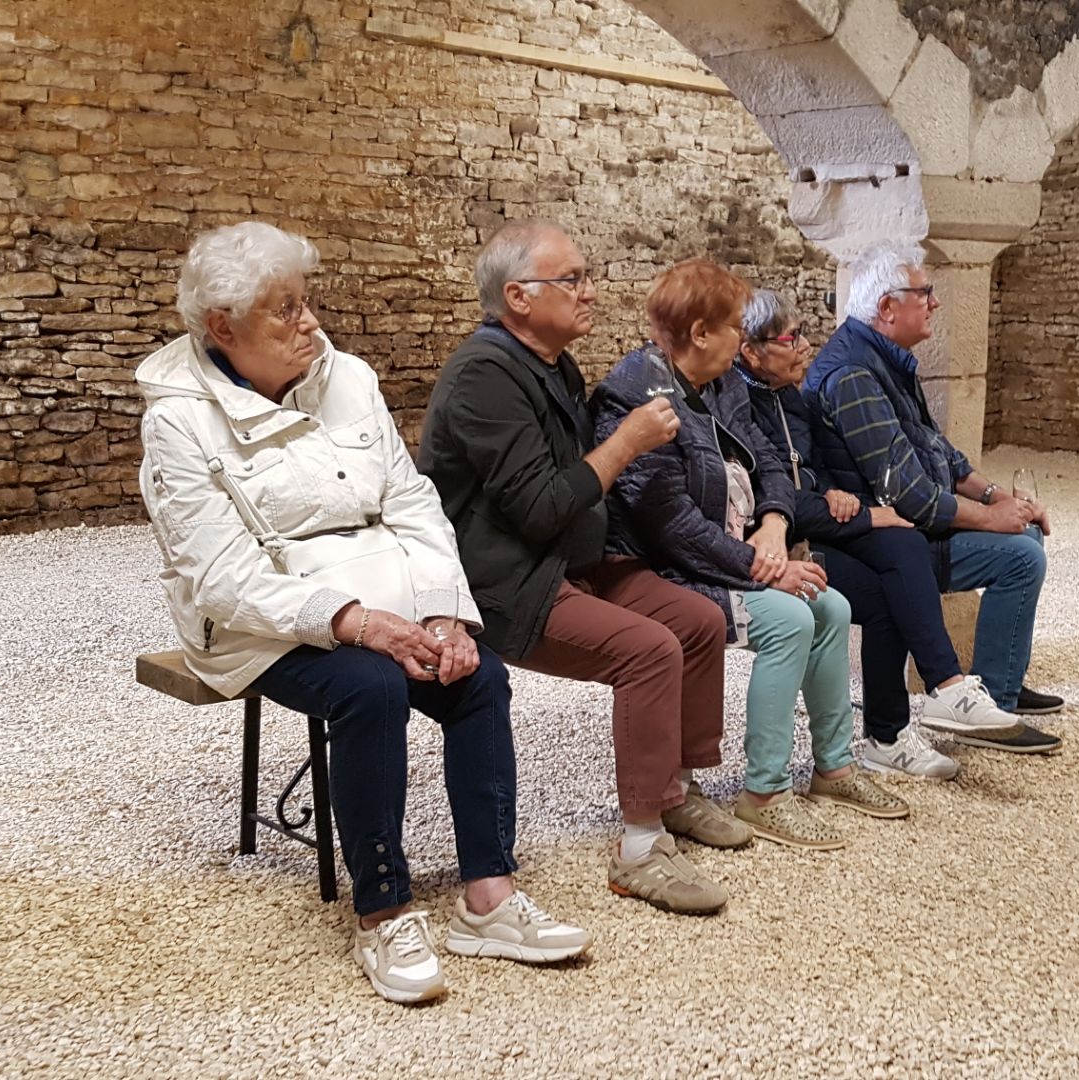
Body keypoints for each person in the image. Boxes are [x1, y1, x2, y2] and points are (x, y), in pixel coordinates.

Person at [137, 222, 590, 1006]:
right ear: (222, 329)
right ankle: (383, 910)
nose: (310, 322)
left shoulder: (347, 377)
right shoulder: (177, 419)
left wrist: (445, 614)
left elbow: (412, 502)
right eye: (284, 310)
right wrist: (355, 622)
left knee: (477, 678)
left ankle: (489, 896)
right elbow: (219, 575)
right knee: (370, 688)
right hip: (256, 622)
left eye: (306, 301)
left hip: (386, 595)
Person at [419, 222, 739, 918]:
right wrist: (627, 442)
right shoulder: (484, 375)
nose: (590, 291)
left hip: (571, 562)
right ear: (518, 297)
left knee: (698, 620)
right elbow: (538, 509)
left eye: (586, 276)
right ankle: (640, 848)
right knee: (648, 650)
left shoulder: (554, 367)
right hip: (504, 583)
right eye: (573, 279)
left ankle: (674, 792)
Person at [593, 259, 909, 849]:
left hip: (739, 549)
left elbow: (769, 461)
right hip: (671, 570)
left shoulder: (723, 383)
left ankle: (834, 767)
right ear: (700, 334)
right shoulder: (633, 394)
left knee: (833, 608)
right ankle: (763, 792)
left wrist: (773, 525)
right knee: (790, 618)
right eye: (736, 327)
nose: (743, 338)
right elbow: (671, 528)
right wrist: (761, 568)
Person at [734, 288, 1023, 780]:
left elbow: (812, 467)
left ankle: (896, 732)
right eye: (792, 337)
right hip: (770, 548)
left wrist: (833, 492)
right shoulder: (740, 402)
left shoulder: (789, 396)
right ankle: (935, 695)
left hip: (814, 527)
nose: (806, 345)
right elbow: (772, 495)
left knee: (899, 558)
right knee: (896, 555)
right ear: (751, 351)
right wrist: (864, 515)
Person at [804, 240, 1066, 756]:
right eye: (925, 293)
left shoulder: (884, 359)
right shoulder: (853, 375)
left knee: (1026, 533)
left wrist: (998, 497)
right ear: (887, 307)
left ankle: (998, 688)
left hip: (909, 529)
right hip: (883, 537)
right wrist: (990, 518)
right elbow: (909, 496)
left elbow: (939, 452)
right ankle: (982, 704)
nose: (935, 302)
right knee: (1021, 555)